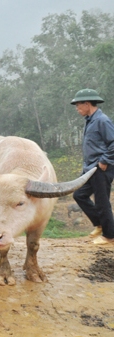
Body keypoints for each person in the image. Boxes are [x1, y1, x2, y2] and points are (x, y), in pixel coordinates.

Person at [71, 89, 114, 245]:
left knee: (102, 202)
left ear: (87, 104)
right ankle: (101, 224)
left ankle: (109, 236)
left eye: (78, 105)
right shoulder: (90, 120)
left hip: (101, 168)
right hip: (90, 168)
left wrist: (104, 160)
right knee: (79, 195)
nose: (77, 109)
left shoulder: (102, 120)